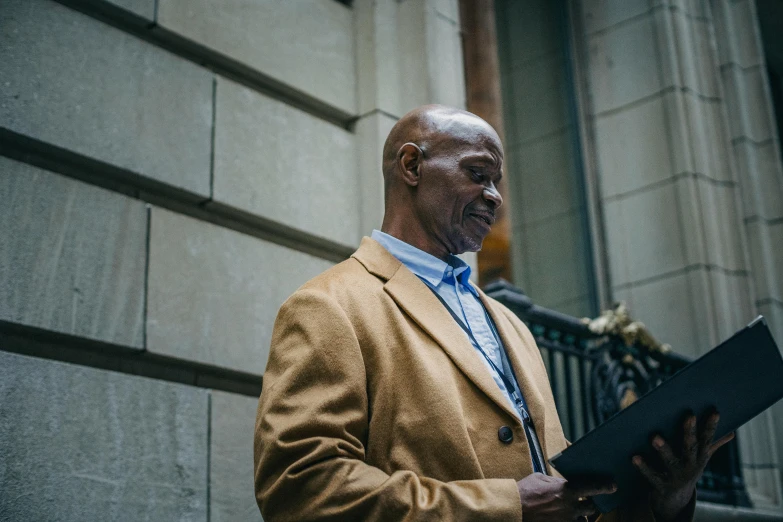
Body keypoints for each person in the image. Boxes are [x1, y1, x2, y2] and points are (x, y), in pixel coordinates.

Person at [254, 105, 734, 521]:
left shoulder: (512, 326)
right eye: (478, 174)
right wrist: (506, 507)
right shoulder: (329, 305)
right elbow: (301, 486)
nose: (496, 196)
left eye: (496, 182)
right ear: (412, 165)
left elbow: (563, 501)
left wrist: (669, 498)